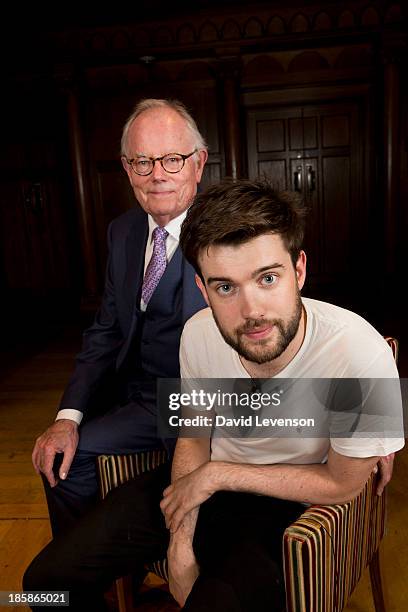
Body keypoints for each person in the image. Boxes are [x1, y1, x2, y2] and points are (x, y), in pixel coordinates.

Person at [24, 180, 404, 611]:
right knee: (42, 583)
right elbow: (193, 435)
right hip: (198, 483)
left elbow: (341, 483)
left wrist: (217, 476)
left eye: (268, 278)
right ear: (203, 290)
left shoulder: (359, 352)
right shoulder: (199, 333)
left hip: (284, 506)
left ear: (299, 270)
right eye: (225, 287)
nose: (251, 311)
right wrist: (180, 541)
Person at [31, 98, 208, 536]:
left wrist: (370, 425)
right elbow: (106, 331)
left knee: (182, 508)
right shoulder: (123, 231)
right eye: (143, 162)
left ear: (198, 163)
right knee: (59, 460)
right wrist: (67, 418)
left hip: (203, 409)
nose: (158, 174)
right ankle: (90, 587)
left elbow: (287, 326)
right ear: (127, 169)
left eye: (172, 159)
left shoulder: (232, 230)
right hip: (137, 397)